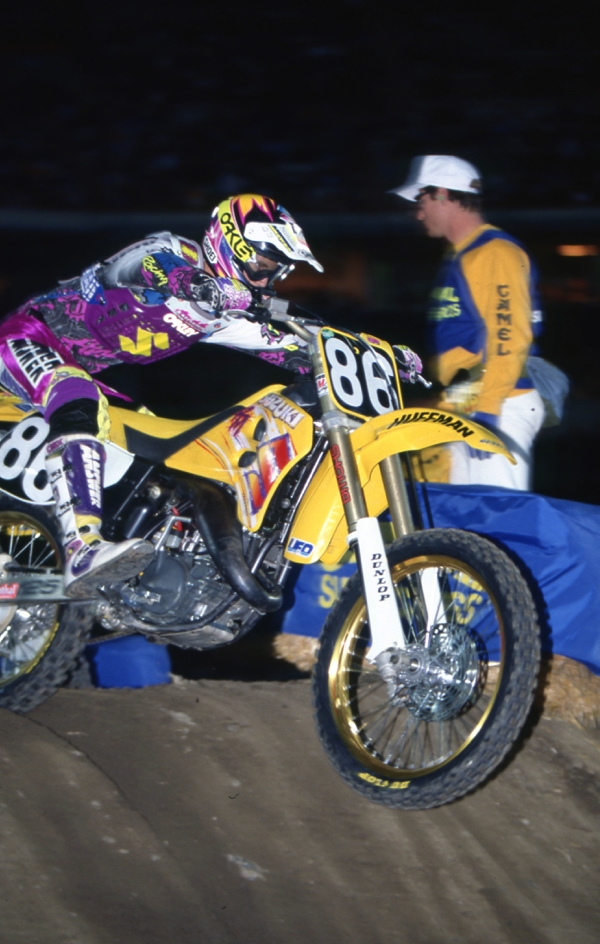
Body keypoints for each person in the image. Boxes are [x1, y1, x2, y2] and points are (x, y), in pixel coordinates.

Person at [0, 194, 325, 597]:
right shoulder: (172, 252)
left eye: (275, 272)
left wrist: (362, 350)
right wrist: (199, 285)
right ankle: (81, 548)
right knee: (77, 395)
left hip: (79, 372)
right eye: (262, 266)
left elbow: (294, 348)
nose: (264, 282)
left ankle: (140, 571)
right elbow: (134, 267)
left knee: (154, 447)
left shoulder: (222, 317)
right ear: (231, 246)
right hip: (29, 336)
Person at [391, 155, 545, 490]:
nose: (418, 213)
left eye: (421, 200)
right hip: (473, 403)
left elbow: (509, 336)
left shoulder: (494, 252)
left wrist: (488, 411)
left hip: (498, 403)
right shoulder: (464, 253)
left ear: (443, 194)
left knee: (499, 514)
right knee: (466, 517)